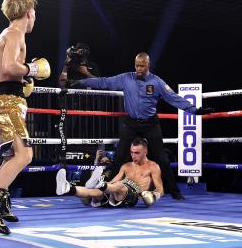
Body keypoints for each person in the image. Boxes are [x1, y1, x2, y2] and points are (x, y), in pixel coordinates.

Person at [69, 52, 212, 200]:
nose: (138, 68)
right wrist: (82, 82)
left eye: (142, 66)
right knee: (119, 157)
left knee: (162, 158)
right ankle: (108, 191)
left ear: (148, 65)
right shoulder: (126, 78)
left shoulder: (157, 82)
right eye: (136, 65)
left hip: (150, 123)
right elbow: (104, 82)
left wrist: (195, 110)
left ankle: (175, 192)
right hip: (131, 122)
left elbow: (173, 98)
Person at [0, 0, 51, 235]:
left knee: (11, 156)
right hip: (7, 103)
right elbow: (9, 67)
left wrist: (17, 82)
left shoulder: (3, 36)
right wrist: (32, 69)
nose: (34, 19)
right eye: (35, 15)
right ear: (29, 13)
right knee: (25, 155)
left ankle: (3, 203)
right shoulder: (16, 34)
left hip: (3, 99)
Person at [56, 138, 164, 208]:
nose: (133, 155)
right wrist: (103, 187)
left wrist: (154, 196)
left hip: (133, 196)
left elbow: (160, 189)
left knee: (121, 186)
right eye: (131, 152)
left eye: (136, 153)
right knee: (96, 191)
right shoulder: (126, 166)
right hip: (116, 193)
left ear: (145, 152)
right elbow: (113, 183)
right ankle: (68, 188)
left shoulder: (153, 166)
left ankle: (100, 183)